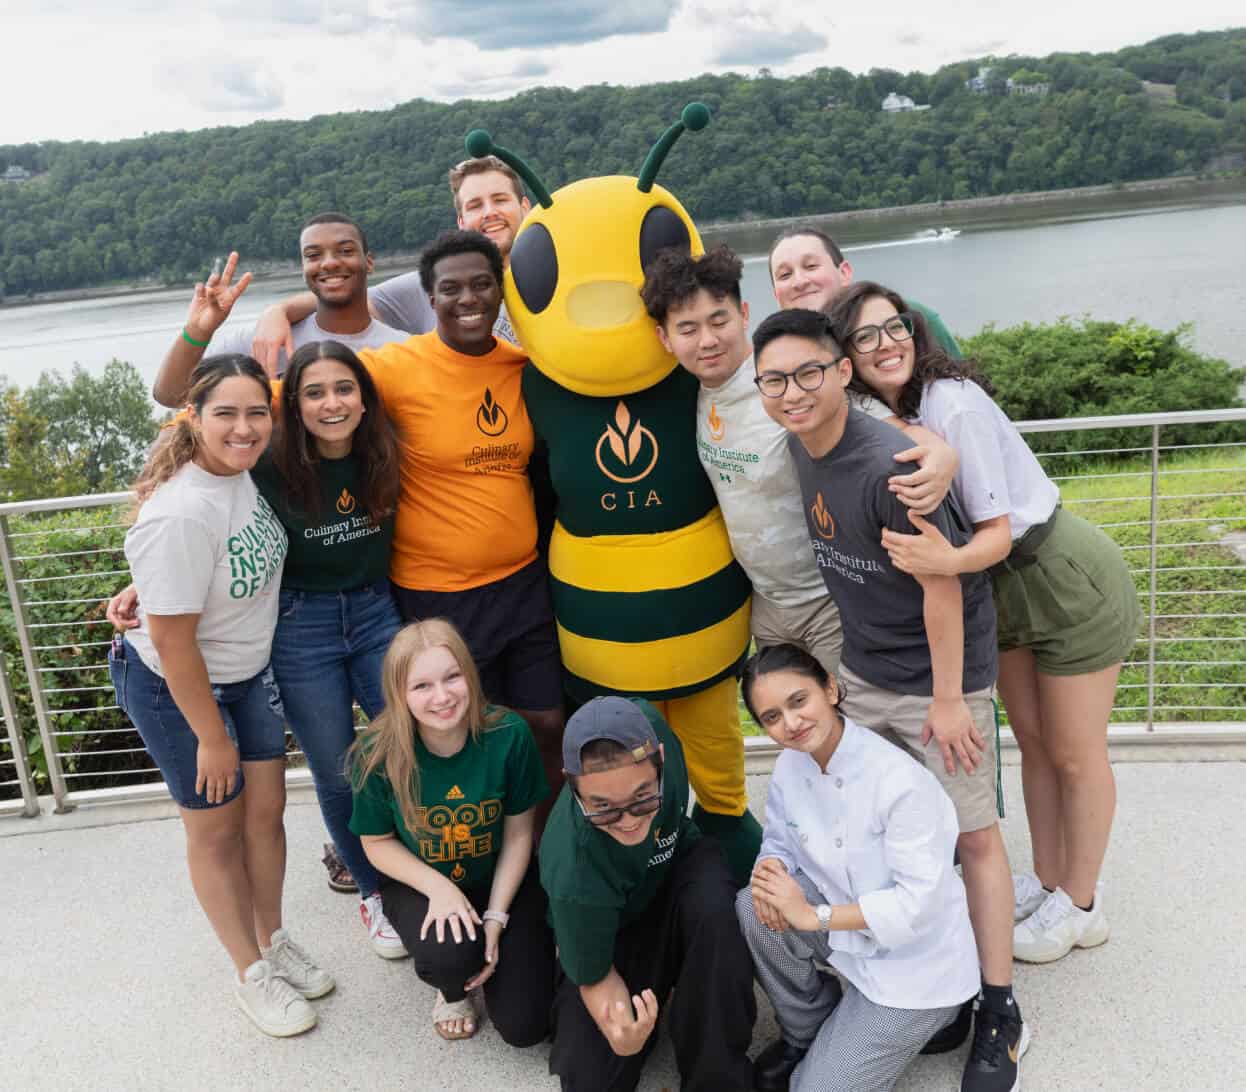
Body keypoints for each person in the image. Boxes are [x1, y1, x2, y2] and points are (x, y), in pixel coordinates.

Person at [145, 230, 567, 812]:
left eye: (481, 285)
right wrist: (211, 326)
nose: (468, 298)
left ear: (501, 292)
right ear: (430, 298)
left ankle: (546, 857)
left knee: (547, 725)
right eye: (450, 289)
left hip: (522, 587)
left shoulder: (521, 366)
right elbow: (186, 398)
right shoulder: (390, 368)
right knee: (467, 738)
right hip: (435, 594)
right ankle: (471, 861)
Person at [752, 307, 1027, 1092]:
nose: (793, 391)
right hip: (864, 667)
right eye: (775, 379)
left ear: (843, 371)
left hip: (941, 674)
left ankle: (998, 1007)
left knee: (974, 836)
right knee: (880, 823)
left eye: (809, 372)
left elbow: (943, 582)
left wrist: (947, 700)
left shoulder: (889, 465)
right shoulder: (804, 445)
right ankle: (896, 979)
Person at [831, 281, 1141, 963]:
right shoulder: (881, 409)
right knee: (1032, 744)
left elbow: (998, 534)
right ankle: (1054, 881)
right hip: (997, 593)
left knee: (1075, 752)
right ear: (846, 355)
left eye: (896, 328)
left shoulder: (952, 401)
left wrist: (945, 559)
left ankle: (1082, 906)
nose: (887, 344)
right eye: (866, 335)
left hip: (1057, 574)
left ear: (916, 332)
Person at [112, 339, 411, 951]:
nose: (331, 404)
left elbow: (220, 542)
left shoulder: (370, 447)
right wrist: (147, 585)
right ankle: (366, 899)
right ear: (293, 406)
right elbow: (178, 421)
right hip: (291, 630)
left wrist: (151, 583)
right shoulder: (260, 462)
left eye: (344, 389)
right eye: (313, 393)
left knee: (406, 755)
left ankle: (405, 886)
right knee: (333, 771)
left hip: (358, 617)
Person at [109, 354, 332, 1038]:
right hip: (181, 690)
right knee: (216, 832)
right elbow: (173, 647)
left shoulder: (236, 475)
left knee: (266, 815)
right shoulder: (178, 514)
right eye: (226, 414)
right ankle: (249, 974)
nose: (244, 427)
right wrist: (210, 736)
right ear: (193, 417)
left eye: (256, 412)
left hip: (246, 673)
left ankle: (273, 939)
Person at [640, 244, 962, 674]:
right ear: (665, 338)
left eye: (719, 320)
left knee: (847, 731)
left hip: (831, 599)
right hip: (768, 607)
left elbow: (881, 425)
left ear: (744, 315)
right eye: (688, 328)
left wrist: (939, 453)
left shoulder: (783, 378)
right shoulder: (694, 392)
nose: (708, 340)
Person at [737, 643, 984, 1092]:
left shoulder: (898, 781)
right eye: (771, 717)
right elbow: (778, 839)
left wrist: (813, 916)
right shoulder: (791, 765)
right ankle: (806, 1031)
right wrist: (772, 872)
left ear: (830, 689)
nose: (791, 724)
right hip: (847, 933)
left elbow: (915, 908)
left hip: (915, 970)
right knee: (754, 906)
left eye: (798, 701)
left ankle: (946, 1017)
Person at [348, 619, 554, 1044]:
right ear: (399, 694)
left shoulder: (508, 734)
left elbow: (519, 835)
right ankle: (451, 992)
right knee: (450, 957)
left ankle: (497, 952)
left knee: (526, 1028)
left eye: (452, 677)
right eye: (421, 686)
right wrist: (438, 889)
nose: (442, 697)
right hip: (422, 883)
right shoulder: (376, 751)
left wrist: (496, 917)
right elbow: (376, 842)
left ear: (469, 675)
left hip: (497, 874)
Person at [539, 696, 756, 1092]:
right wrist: (623, 1034)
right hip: (614, 924)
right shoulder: (571, 871)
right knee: (594, 1077)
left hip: (678, 866)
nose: (628, 822)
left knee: (718, 917)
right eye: (603, 808)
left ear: (660, 756)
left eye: (643, 798)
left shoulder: (654, 727)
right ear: (572, 786)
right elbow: (596, 977)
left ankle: (718, 1077)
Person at [250, 155, 529, 362]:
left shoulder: (557, 275)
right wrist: (279, 312)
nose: (489, 212)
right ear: (461, 220)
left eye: (500, 200)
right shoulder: (430, 286)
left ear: (525, 207)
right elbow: (351, 297)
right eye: (475, 205)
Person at [152, 213, 415, 404]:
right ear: (303, 267)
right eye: (313, 256)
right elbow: (171, 395)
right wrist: (198, 331)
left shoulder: (404, 350)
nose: (329, 263)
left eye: (345, 251)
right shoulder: (263, 342)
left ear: (368, 262)